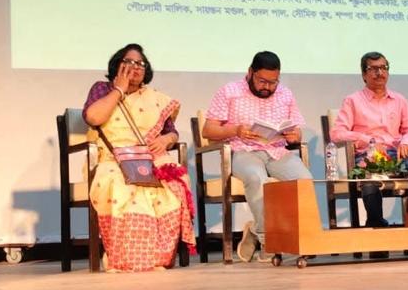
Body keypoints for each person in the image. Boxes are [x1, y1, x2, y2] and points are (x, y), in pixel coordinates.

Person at [83, 44, 194, 271]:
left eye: (140, 63)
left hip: (149, 156)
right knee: (120, 184)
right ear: (117, 65)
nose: (135, 67)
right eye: (129, 62)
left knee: (173, 182)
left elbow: (171, 131)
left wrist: (166, 140)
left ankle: (159, 257)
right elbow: (93, 118)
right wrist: (119, 90)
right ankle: (127, 258)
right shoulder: (102, 88)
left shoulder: (154, 98)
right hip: (113, 159)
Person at [203, 51, 313, 262]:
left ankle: (264, 231)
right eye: (262, 81)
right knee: (256, 178)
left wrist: (294, 135)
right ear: (250, 72)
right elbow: (208, 130)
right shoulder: (229, 91)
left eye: (273, 82)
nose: (267, 87)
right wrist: (236, 130)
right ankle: (267, 241)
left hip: (277, 151)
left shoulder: (285, 94)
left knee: (304, 181)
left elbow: (297, 130)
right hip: (243, 150)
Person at [331, 52, 408, 230]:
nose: (379, 73)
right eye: (373, 69)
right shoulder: (352, 101)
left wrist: (407, 142)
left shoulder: (399, 100)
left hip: (398, 155)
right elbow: (337, 133)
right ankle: (376, 225)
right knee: (370, 180)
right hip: (369, 156)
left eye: (383, 68)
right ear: (364, 74)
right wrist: (369, 141)